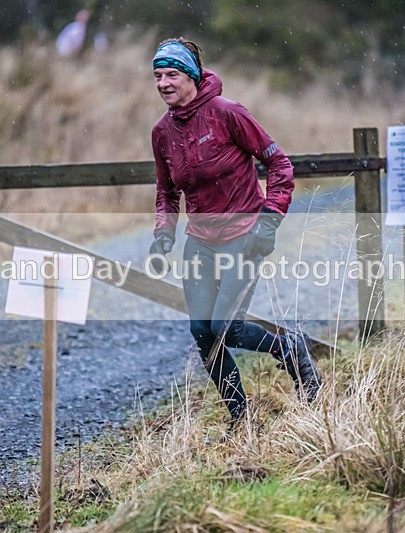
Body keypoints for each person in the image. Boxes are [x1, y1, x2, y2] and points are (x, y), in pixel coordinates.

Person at [148, 38, 323, 432]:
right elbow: (166, 191)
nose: (163, 83)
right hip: (200, 241)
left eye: (171, 74)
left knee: (227, 326)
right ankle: (240, 419)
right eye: (157, 76)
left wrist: (269, 218)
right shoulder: (162, 133)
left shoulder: (228, 114)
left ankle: (292, 350)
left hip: (244, 234)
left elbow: (278, 164)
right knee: (202, 331)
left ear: (191, 76)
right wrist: (163, 233)